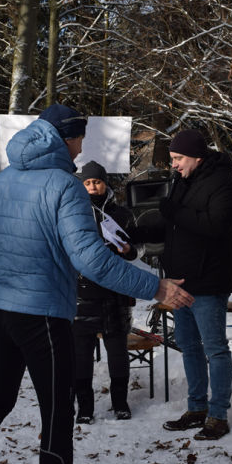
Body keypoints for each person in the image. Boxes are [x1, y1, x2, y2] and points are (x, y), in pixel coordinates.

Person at [0, 104, 194, 464]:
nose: (79, 150)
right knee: (58, 413)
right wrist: (157, 287)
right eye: (78, 139)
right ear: (65, 138)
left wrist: (19, 254)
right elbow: (93, 261)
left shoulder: (2, 179)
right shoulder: (64, 186)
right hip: (41, 315)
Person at [127, 129, 232, 441]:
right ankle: (197, 407)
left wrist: (173, 210)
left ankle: (218, 415)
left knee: (215, 349)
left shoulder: (224, 183)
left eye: (178, 158)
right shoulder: (181, 182)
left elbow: (215, 226)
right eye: (173, 159)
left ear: (196, 156)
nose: (174, 165)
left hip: (208, 282)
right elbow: (170, 226)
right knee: (189, 347)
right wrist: (133, 235)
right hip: (180, 281)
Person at [73, 160, 141, 424]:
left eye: (97, 182)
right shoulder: (73, 212)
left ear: (106, 183)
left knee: (117, 351)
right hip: (82, 292)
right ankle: (85, 407)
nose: (92, 187)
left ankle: (120, 403)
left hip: (116, 292)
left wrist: (130, 250)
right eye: (88, 182)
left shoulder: (122, 213)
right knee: (81, 354)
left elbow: (139, 246)